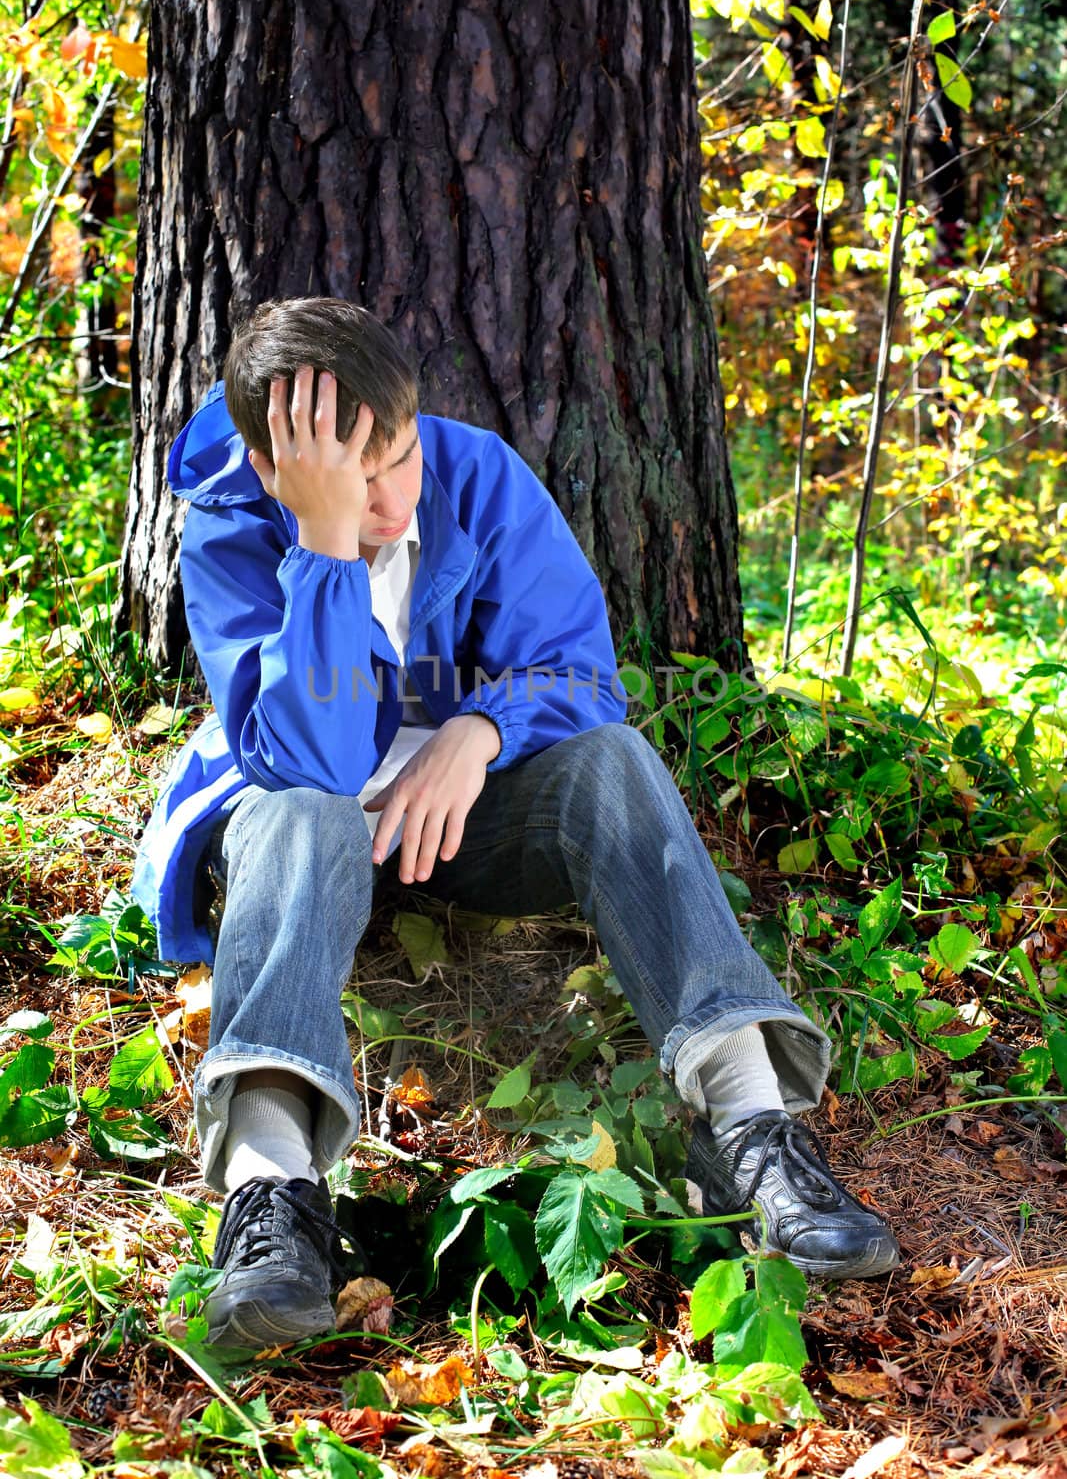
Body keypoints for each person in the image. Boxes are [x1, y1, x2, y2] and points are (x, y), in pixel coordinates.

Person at [131, 297, 899, 1349]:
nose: (394, 506)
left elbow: (582, 675)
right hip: (307, 840)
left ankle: (750, 1122)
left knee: (613, 763)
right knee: (301, 812)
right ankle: (271, 1195)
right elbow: (309, 758)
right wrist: (320, 546)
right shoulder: (233, 526)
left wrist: (478, 730)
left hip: (470, 829)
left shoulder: (477, 476)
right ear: (279, 474)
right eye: (353, 484)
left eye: (397, 459)